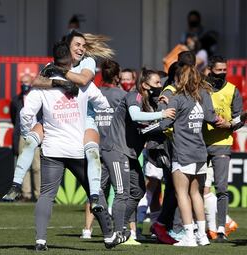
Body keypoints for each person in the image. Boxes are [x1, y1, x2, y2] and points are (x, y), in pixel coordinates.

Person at [21, 41, 126, 251]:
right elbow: (103, 104)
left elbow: (26, 113)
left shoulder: (43, 84)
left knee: (47, 195)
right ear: (70, 60)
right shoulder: (83, 84)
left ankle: (40, 240)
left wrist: (29, 132)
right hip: (78, 149)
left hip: (52, 149)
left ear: (53, 60)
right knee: (94, 192)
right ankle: (108, 236)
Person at [3, 31, 114, 211]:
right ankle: (16, 186)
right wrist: (59, 83)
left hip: (85, 119)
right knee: (30, 141)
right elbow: (37, 81)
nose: (81, 48)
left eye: (83, 45)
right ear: (67, 47)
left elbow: (83, 79)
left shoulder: (88, 62)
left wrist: (59, 71)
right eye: (77, 45)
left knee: (92, 152)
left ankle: (94, 196)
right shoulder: (51, 65)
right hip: (57, 119)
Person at [142, 65, 230, 247]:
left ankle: (189, 236)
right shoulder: (202, 96)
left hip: (182, 153)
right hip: (200, 152)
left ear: (179, 79)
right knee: (196, 194)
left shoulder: (177, 98)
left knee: (182, 194)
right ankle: (202, 236)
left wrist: (160, 105)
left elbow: (164, 122)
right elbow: (211, 117)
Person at [96, 68, 175, 245]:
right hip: (116, 151)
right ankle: (115, 232)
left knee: (138, 190)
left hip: (129, 154)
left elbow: (149, 127)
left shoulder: (149, 101)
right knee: (122, 193)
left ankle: (121, 226)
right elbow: (135, 115)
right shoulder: (135, 96)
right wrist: (162, 113)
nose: (160, 86)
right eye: (156, 83)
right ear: (145, 85)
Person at [80, 59, 127, 239]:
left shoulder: (93, 93)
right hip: (114, 148)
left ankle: (87, 229)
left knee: (96, 190)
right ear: (117, 76)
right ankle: (118, 229)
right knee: (120, 191)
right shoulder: (122, 95)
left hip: (94, 146)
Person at [202, 55, 244, 242]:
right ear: (210, 70)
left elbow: (237, 119)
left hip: (222, 144)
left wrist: (230, 125)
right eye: (218, 70)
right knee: (197, 189)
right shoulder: (202, 88)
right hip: (199, 143)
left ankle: (221, 230)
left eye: (224, 70)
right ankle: (200, 228)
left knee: (221, 188)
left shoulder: (233, 90)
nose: (222, 73)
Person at [10, 74, 40, 202]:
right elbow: (13, 117)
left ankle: (39, 194)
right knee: (24, 166)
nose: (24, 84)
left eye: (26, 82)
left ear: (31, 82)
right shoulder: (16, 99)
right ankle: (26, 194)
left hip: (36, 134)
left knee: (37, 167)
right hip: (23, 135)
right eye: (22, 82)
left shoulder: (38, 97)